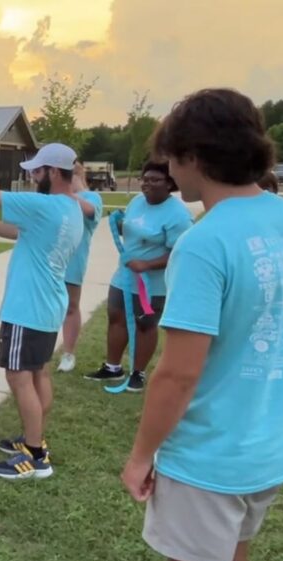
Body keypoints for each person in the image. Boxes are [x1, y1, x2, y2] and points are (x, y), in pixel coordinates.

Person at [121, 88, 283, 561]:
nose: (167, 168)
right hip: (273, 443)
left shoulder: (203, 243)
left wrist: (141, 455)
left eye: (171, 156)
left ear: (194, 156)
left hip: (210, 456)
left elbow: (178, 374)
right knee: (233, 559)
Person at [0, 143, 88, 481]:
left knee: (18, 376)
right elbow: (19, 232)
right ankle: (34, 437)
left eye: (37, 172)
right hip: (47, 305)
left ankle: (35, 455)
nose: (31, 178)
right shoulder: (71, 209)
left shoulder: (46, 205)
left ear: (53, 173)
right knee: (38, 372)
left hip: (27, 307)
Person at [84, 162, 193, 392]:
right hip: (124, 276)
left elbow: (180, 252)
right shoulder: (136, 202)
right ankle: (113, 367)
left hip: (153, 284)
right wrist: (119, 225)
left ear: (170, 184)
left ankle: (138, 373)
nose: (147, 184)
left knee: (145, 324)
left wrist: (147, 264)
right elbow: (135, 230)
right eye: (145, 179)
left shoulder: (178, 215)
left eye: (155, 180)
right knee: (116, 317)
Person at [56, 162, 103, 372]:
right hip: (52, 259)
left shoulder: (91, 198)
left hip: (74, 261)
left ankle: (68, 353)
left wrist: (68, 194)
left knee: (70, 307)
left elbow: (90, 211)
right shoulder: (57, 198)